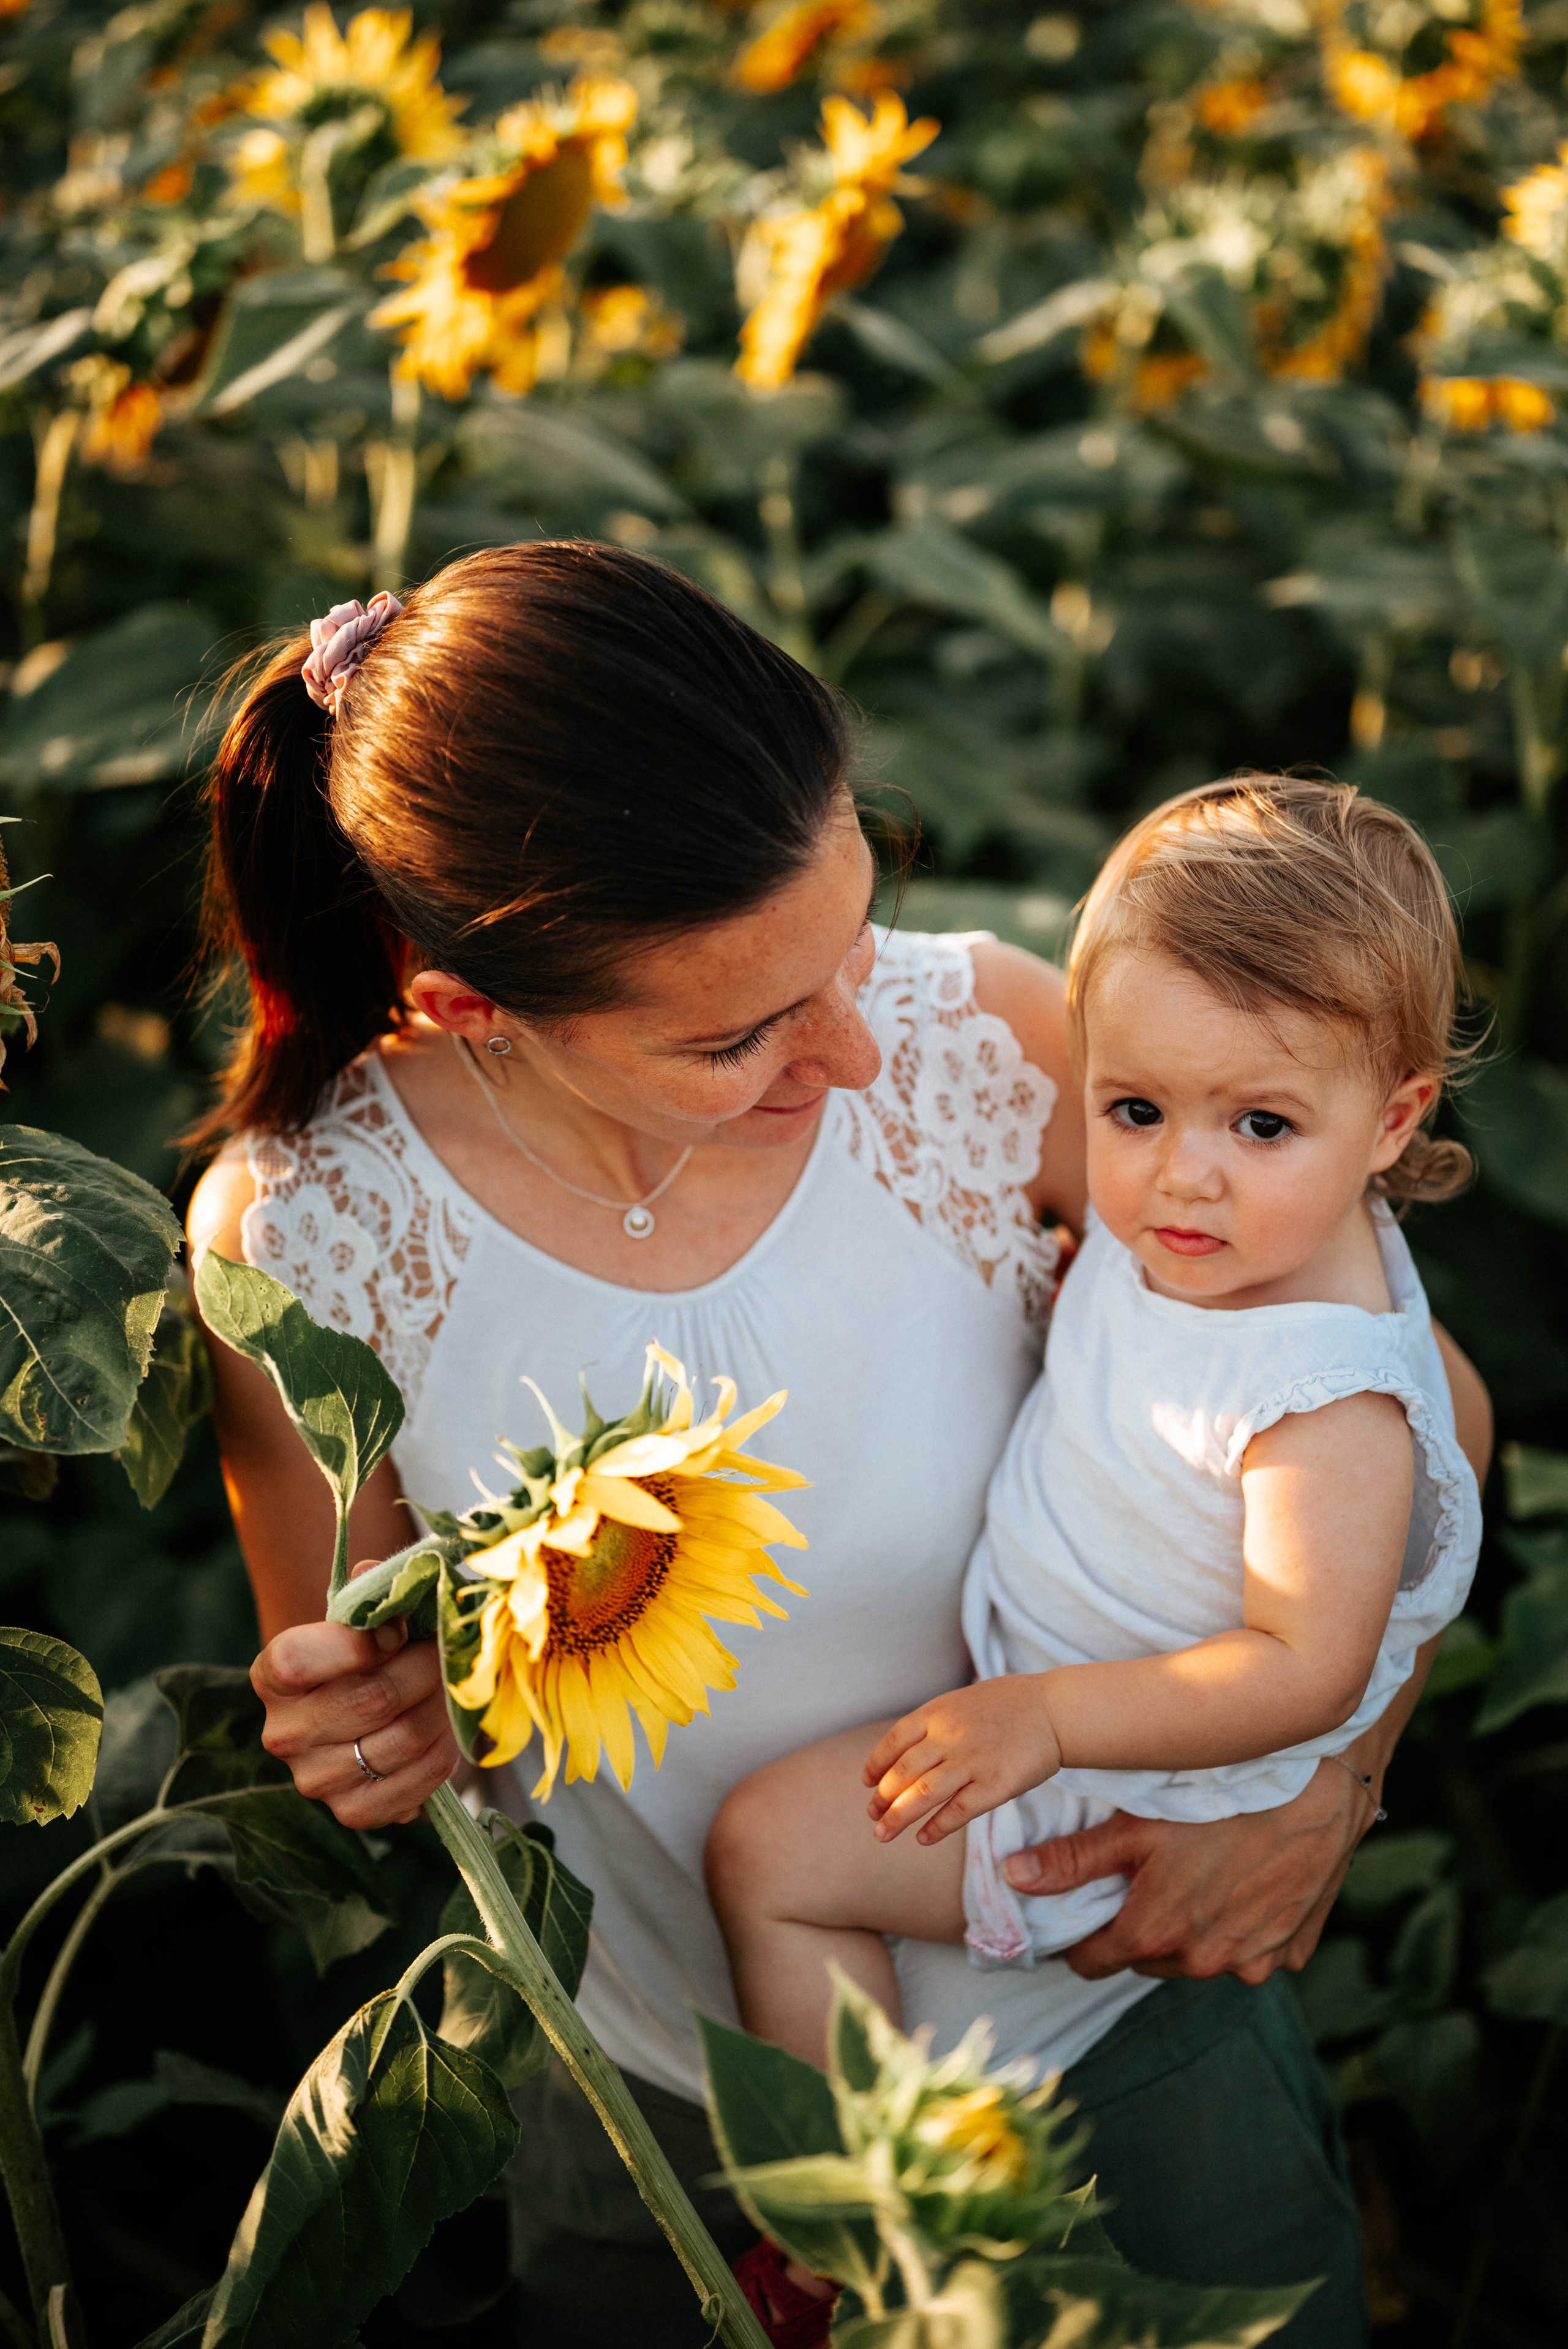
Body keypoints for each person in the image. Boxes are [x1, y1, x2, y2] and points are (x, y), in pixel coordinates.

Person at [186, 548, 1493, 2349]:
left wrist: (1331, 1778)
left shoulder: (997, 1045)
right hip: (653, 2108)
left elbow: (1414, 1404)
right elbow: (388, 1686)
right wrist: (363, 1713)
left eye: (852, 939)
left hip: (1114, 2026)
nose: (862, 1048)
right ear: (470, 1007)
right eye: (740, 1031)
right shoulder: (306, 1236)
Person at [704, 778, 1481, 2084]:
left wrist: (1048, 1720)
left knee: (768, 1852)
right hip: (1047, 1695)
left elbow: (1306, 1666)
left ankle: (854, 2225)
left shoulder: (1322, 1399)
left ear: (1390, 1121)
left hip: (1130, 1788)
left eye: (1260, 1124)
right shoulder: (1216, 1242)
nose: (1182, 1171)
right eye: (1133, 1109)